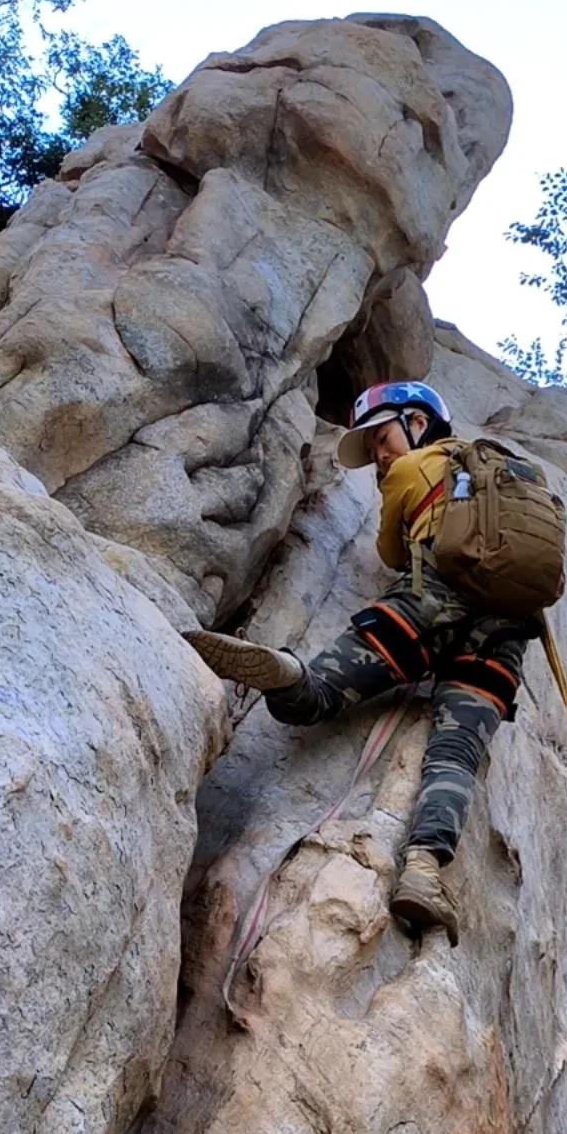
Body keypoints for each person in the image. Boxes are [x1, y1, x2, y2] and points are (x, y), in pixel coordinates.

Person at [184, 380, 543, 941]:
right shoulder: (512, 478)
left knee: (315, 700)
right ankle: (423, 870)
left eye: (381, 438)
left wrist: (399, 492)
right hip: (505, 634)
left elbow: (391, 553)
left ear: (418, 423)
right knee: (455, 756)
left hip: (430, 604)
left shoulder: (413, 468)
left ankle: (293, 675)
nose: (378, 455)